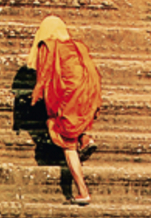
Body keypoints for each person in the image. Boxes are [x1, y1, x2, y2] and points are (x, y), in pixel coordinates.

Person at [27, 15, 102, 206]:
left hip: (70, 94)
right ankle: (85, 138)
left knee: (67, 144)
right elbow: (90, 72)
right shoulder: (77, 46)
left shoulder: (49, 46)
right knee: (79, 118)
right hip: (88, 90)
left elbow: (44, 74)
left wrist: (37, 94)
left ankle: (82, 191)